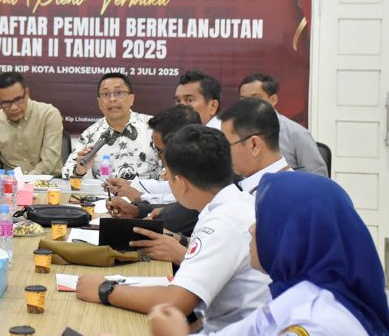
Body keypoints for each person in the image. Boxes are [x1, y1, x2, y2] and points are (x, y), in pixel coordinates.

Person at [76, 125, 270, 333]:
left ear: (181, 183)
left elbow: (175, 302)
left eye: (168, 174)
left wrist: (105, 290)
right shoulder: (237, 203)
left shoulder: (222, 223)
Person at [148, 171, 389, 336]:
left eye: (263, 221)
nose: (252, 228)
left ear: (294, 237)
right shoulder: (297, 293)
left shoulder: (314, 322)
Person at [106, 104, 201, 238]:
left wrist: (139, 201)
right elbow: (174, 205)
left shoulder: (203, 181)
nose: (158, 157)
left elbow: (179, 215)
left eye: (160, 150)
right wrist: (137, 209)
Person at [62, 73, 160, 181]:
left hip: (145, 191)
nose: (112, 99)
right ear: (99, 102)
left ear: (131, 98)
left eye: (119, 93)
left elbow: (171, 166)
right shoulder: (90, 134)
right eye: (105, 94)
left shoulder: (154, 127)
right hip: (106, 191)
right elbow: (66, 171)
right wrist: (79, 170)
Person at [238, 73, 328, 176]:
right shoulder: (234, 133)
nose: (248, 104)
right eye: (243, 99)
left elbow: (318, 177)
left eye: (255, 98)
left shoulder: (296, 133)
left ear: (273, 100)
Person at [0, 72, 63, 176]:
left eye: (18, 99)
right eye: (6, 103)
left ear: (27, 93)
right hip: (11, 182)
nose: (14, 108)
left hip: (49, 181)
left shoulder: (49, 114)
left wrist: (25, 181)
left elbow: (49, 161)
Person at [219, 97, 290, 194]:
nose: (223, 153)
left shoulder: (266, 197)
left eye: (227, 145)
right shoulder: (296, 184)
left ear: (254, 145)